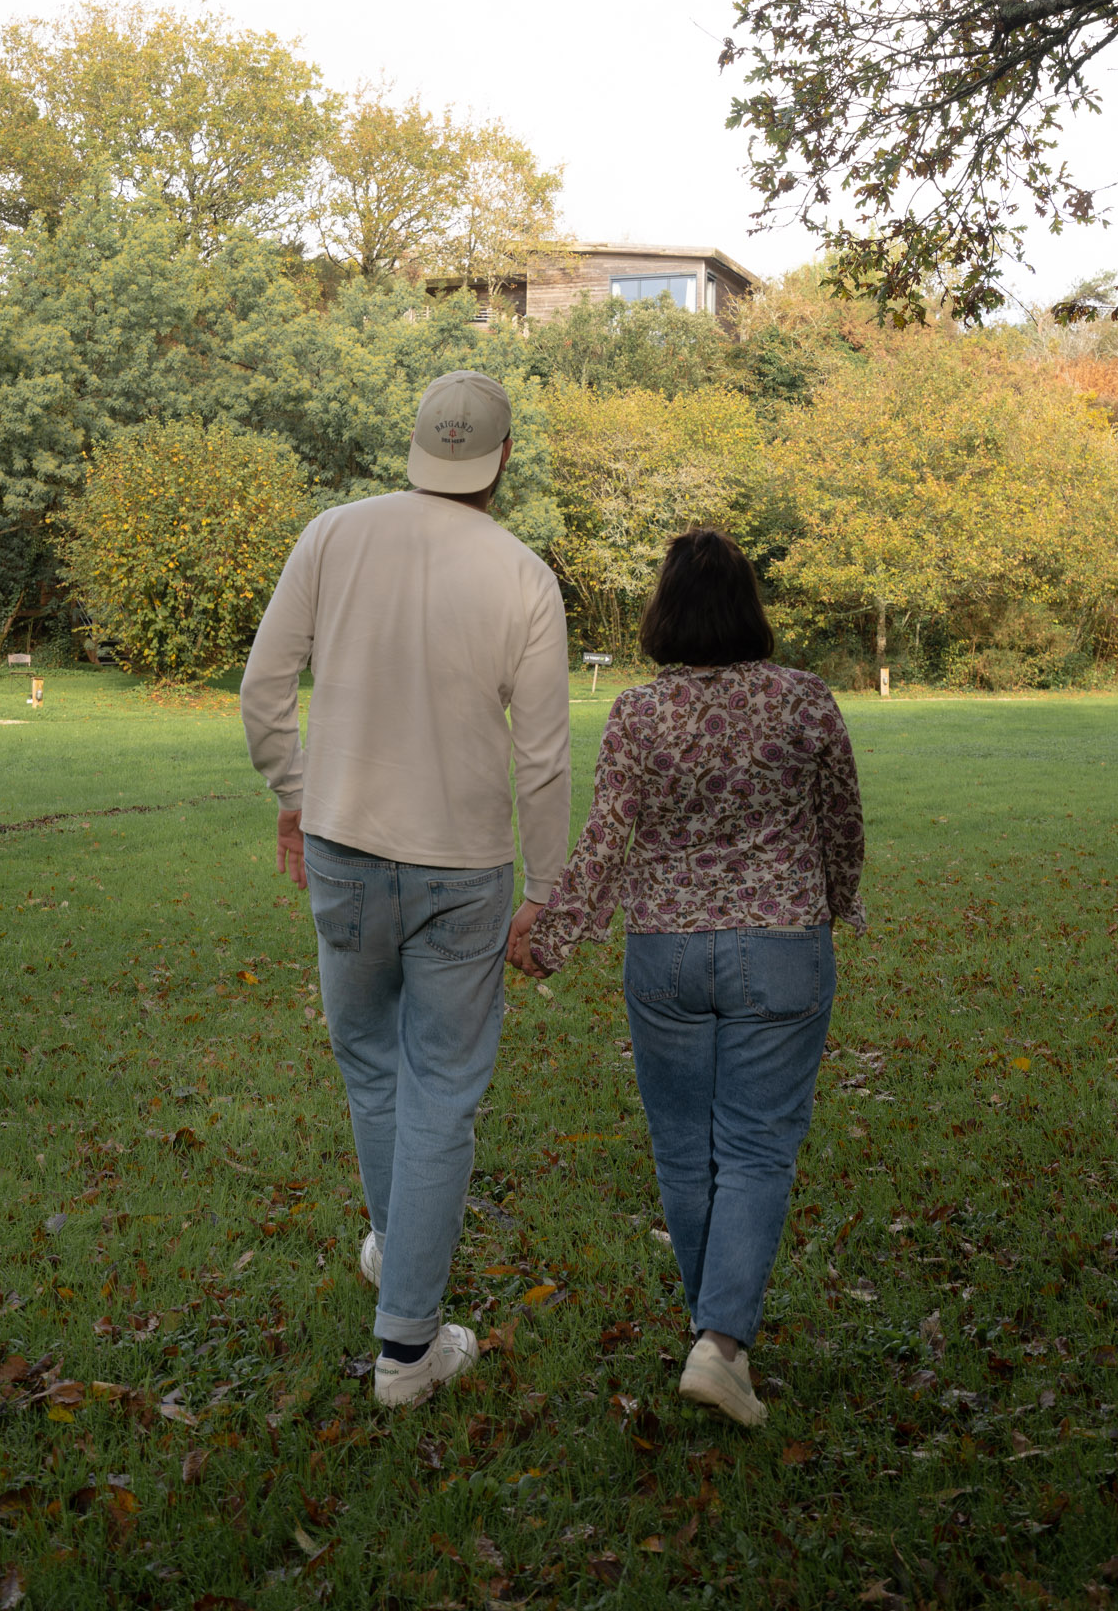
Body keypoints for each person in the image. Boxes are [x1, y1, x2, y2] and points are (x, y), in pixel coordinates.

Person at [242, 371, 571, 1408]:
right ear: (502, 457)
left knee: (378, 1069)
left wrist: (306, 792)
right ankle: (406, 1350)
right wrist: (548, 890)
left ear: (417, 445)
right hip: (461, 868)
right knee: (440, 1088)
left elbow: (263, 692)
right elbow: (545, 761)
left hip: (344, 847)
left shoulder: (333, 535)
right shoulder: (522, 574)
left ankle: (397, 1261)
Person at [508, 528, 864, 1427]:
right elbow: (840, 823)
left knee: (683, 1149)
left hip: (663, 951)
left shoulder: (636, 713)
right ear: (749, 609)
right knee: (754, 1150)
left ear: (664, 612)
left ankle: (715, 1338)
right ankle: (720, 1345)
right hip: (781, 946)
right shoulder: (805, 700)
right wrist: (837, 903)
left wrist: (550, 933)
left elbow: (605, 837)